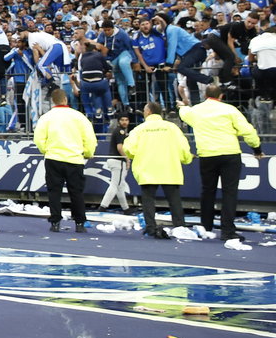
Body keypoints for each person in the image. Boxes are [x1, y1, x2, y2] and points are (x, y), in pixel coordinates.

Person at [177, 84, 261, 242]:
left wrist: (182, 105)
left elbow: (184, 113)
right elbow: (247, 130)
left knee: (207, 191)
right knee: (230, 193)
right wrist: (257, 149)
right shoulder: (229, 110)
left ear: (205, 95)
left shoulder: (196, 111)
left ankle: (206, 227)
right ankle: (227, 231)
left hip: (207, 155)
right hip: (230, 154)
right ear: (221, 96)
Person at [123, 102, 192, 239]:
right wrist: (186, 159)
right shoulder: (172, 128)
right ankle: (179, 227)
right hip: (169, 168)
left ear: (148, 111)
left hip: (147, 169)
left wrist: (134, 155)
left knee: (148, 201)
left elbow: (129, 149)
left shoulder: (139, 129)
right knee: (174, 201)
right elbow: (183, 148)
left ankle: (151, 228)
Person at [33, 88, 97, 233]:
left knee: (54, 192)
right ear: (66, 99)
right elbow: (89, 138)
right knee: (76, 192)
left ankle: (55, 222)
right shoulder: (79, 117)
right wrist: (88, 152)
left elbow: (38, 139)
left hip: (53, 158)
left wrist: (46, 150)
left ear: (52, 101)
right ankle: (80, 223)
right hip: (74, 159)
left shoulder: (46, 117)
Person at [98, 112, 133, 213]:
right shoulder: (120, 132)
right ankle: (102, 206)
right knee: (114, 185)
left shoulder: (118, 131)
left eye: (126, 120)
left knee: (120, 185)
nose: (124, 122)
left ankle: (125, 208)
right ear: (118, 121)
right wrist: (127, 159)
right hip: (118, 161)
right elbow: (120, 147)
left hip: (112, 159)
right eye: (122, 120)